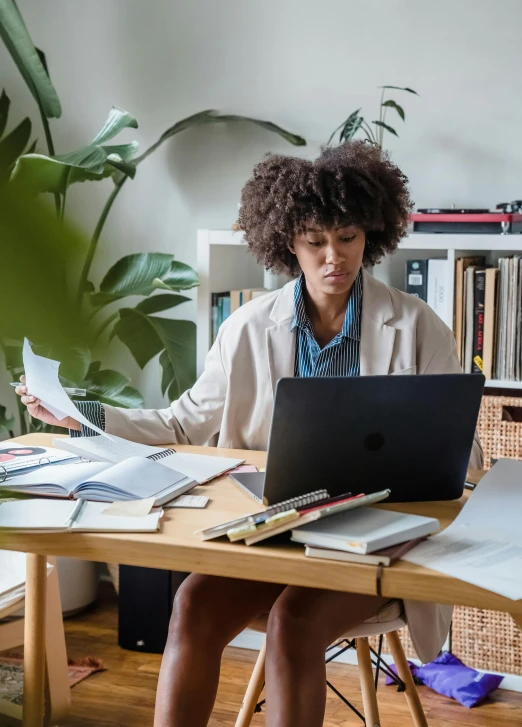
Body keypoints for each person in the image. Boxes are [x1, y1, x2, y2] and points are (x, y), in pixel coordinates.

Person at [18, 141, 483, 727]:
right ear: (289, 242)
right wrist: (83, 413)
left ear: (371, 233)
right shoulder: (246, 328)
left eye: (347, 237)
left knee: (295, 623)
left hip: (379, 540)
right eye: (315, 241)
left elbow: (463, 454)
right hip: (274, 528)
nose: (333, 257)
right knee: (190, 605)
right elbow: (179, 425)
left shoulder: (416, 325)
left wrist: (444, 453)